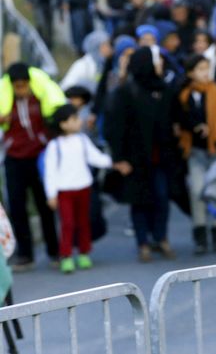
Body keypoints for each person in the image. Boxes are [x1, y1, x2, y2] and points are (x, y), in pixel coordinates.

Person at [105, 47, 181, 262]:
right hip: (135, 160)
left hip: (161, 158)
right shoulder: (125, 92)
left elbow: (173, 119)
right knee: (139, 201)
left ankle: (160, 237)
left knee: (162, 198)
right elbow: (115, 127)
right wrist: (119, 158)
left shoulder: (164, 90)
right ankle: (143, 243)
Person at [0, 63, 64, 271]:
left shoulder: (40, 98)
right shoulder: (5, 103)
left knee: (45, 206)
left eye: (24, 85)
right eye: (17, 86)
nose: (21, 90)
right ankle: (25, 255)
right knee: (18, 207)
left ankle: (55, 252)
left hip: (39, 157)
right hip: (14, 158)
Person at [43, 104, 115, 274]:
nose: (79, 121)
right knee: (67, 224)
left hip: (83, 188)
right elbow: (50, 172)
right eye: (74, 119)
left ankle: (84, 253)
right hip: (64, 191)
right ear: (63, 124)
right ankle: (66, 256)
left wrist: (113, 163)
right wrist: (51, 195)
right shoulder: (55, 146)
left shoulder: (83, 140)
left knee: (83, 222)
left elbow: (95, 157)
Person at [178, 55, 216, 255]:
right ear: (191, 73)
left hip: (215, 148)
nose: (204, 73)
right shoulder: (184, 95)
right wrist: (195, 126)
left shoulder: (215, 91)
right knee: (197, 192)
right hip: (195, 150)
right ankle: (200, 235)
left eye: (207, 69)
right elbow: (180, 118)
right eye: (200, 69)